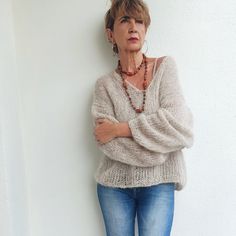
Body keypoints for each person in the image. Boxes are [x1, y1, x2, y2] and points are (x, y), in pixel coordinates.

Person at [91, 0, 194, 235]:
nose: (133, 27)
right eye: (125, 20)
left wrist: (120, 129)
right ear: (110, 34)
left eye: (139, 21)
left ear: (146, 29)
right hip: (113, 186)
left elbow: (180, 127)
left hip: (159, 184)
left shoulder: (165, 68)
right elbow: (106, 141)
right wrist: (160, 148)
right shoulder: (104, 86)